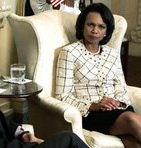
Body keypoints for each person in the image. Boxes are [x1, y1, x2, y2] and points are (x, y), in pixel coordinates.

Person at [55, 3, 141, 148]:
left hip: (117, 109)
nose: (95, 30)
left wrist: (117, 102)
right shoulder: (69, 53)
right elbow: (62, 96)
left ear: (106, 32)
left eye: (101, 27)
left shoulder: (112, 55)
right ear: (82, 26)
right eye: (90, 25)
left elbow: (122, 87)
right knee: (132, 120)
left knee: (134, 143)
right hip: (90, 114)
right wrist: (94, 105)